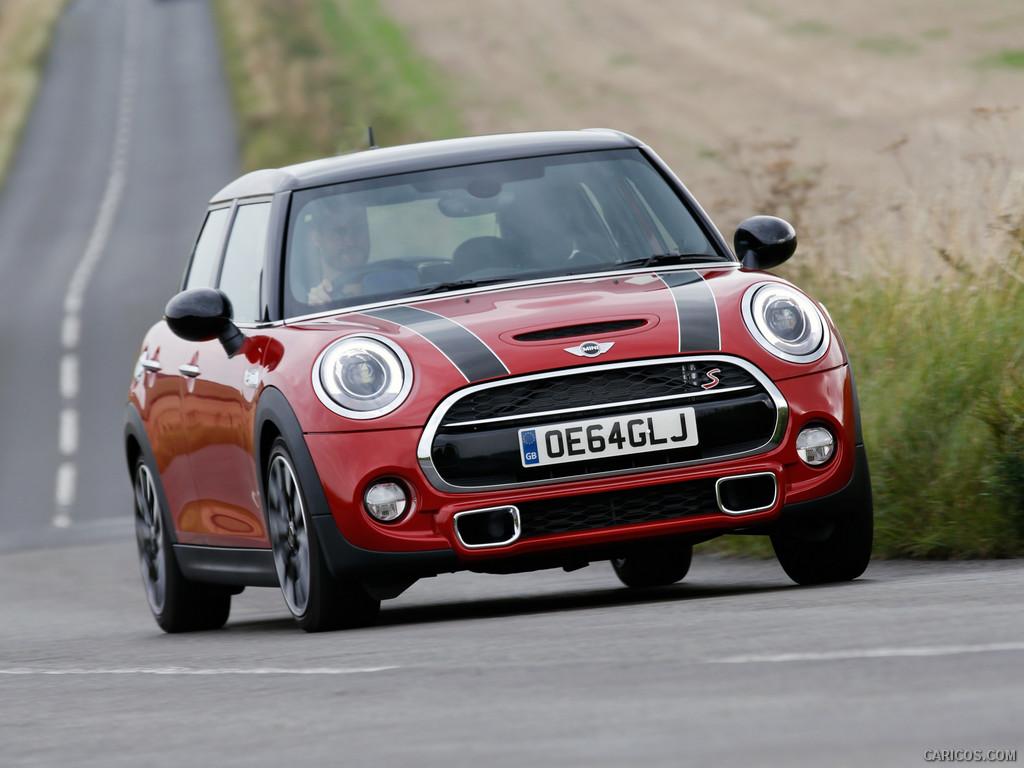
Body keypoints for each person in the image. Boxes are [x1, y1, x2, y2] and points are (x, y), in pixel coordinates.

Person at [307, 202, 371, 305]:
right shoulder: (301, 303)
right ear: (317, 238)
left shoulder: (399, 283)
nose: (351, 241)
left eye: (359, 229)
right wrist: (314, 309)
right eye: (339, 232)